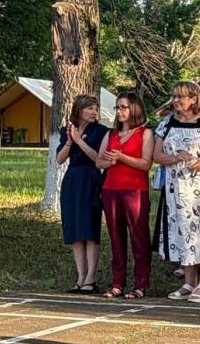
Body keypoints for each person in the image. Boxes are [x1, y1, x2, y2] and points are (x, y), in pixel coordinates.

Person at [153, 81, 200, 304]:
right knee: (181, 230)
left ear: (194, 99)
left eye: (182, 97)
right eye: (175, 96)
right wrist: (175, 158)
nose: (177, 101)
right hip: (175, 187)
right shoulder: (166, 122)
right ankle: (188, 282)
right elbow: (157, 155)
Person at [96, 93, 153, 299]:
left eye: (124, 107)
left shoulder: (145, 134)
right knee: (116, 239)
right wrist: (110, 162)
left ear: (134, 109)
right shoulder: (110, 135)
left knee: (139, 238)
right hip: (111, 189)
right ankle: (117, 283)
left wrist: (122, 157)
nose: (119, 111)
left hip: (135, 190)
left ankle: (140, 284)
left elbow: (146, 163)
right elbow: (99, 162)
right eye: (117, 108)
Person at [56, 95, 109, 294]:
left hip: (91, 179)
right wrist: (70, 141)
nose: (94, 112)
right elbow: (60, 159)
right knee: (75, 230)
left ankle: (91, 278)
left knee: (90, 229)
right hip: (73, 180)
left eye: (96, 109)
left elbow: (99, 159)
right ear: (79, 110)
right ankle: (80, 276)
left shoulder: (101, 132)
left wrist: (81, 141)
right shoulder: (68, 130)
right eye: (90, 109)